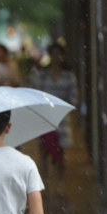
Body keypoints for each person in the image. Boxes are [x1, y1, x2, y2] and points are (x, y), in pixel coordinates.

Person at [30, 43, 78, 171]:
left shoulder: (68, 76)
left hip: (61, 118)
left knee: (60, 154)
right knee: (43, 152)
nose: (56, 57)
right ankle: (45, 184)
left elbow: (73, 97)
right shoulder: (42, 74)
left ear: (63, 56)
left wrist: (62, 106)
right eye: (53, 54)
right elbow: (36, 94)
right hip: (44, 117)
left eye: (59, 54)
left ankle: (59, 184)